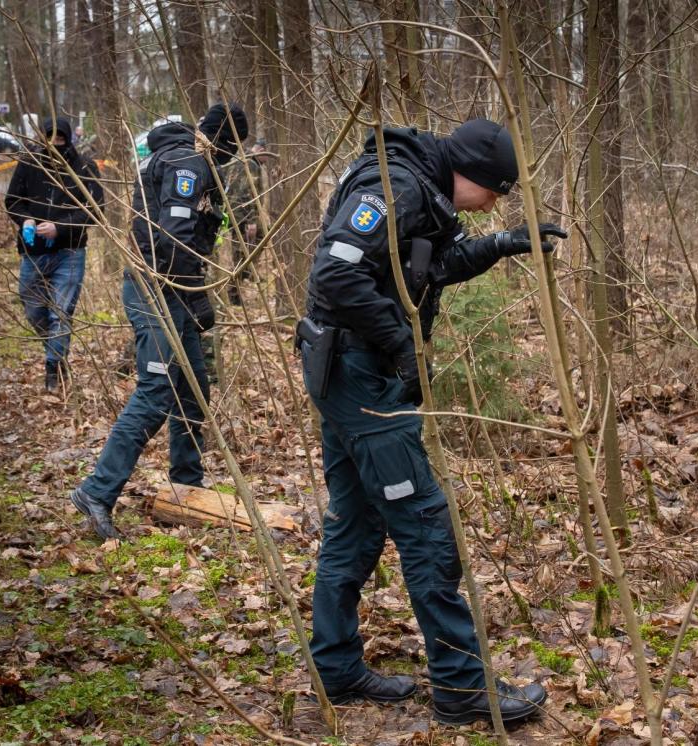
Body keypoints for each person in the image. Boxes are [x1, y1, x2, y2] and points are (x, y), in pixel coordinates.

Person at [297, 118, 566, 724]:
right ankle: (463, 688)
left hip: (351, 374)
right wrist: (401, 345)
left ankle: (336, 668)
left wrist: (500, 244)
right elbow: (335, 274)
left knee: (356, 524)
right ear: (471, 173)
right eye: (496, 190)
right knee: (425, 528)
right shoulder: (395, 186)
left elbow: (428, 265)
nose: (496, 202)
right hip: (361, 379)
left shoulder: (422, 187)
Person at [69, 103, 248, 540]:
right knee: (156, 390)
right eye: (230, 147)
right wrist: (198, 296)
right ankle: (96, 491)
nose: (228, 157)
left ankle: (186, 484)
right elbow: (172, 238)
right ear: (220, 139)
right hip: (156, 290)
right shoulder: (186, 163)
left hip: (173, 289)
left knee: (192, 387)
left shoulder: (186, 159)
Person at [5, 117, 104, 392]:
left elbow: (96, 209)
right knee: (34, 309)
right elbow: (12, 200)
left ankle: (54, 370)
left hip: (70, 251)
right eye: (50, 139)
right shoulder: (29, 164)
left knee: (61, 312)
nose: (55, 145)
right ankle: (56, 350)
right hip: (32, 252)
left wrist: (60, 227)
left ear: (68, 139)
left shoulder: (83, 167)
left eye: (60, 140)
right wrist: (25, 220)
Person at [219, 138, 266, 305]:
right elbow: (245, 194)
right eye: (265, 156)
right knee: (240, 254)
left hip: (234, 214)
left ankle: (246, 271)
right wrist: (250, 221)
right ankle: (234, 294)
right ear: (260, 150)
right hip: (241, 217)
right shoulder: (250, 165)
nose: (265, 161)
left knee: (262, 235)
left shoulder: (241, 159)